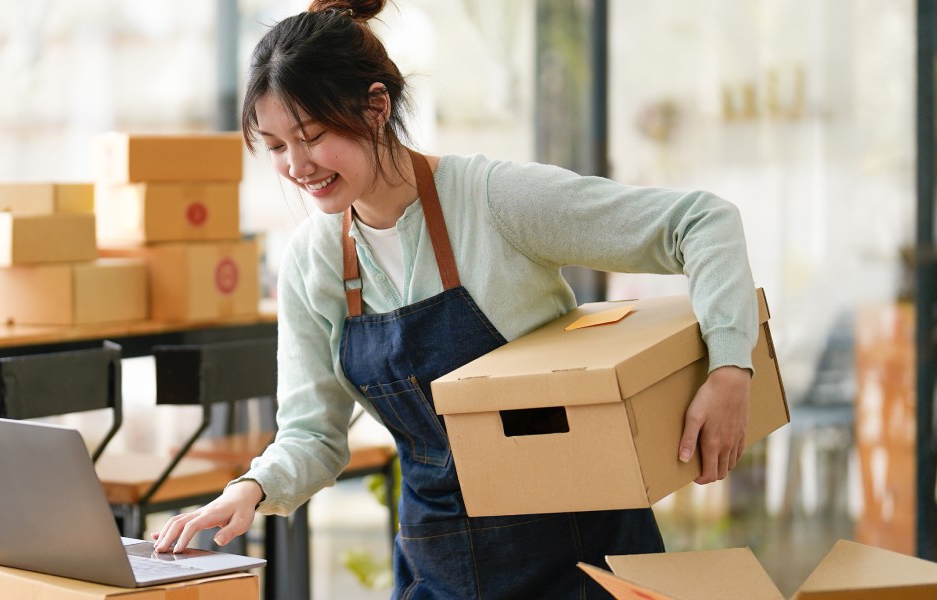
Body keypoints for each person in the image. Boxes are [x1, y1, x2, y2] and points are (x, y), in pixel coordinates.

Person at [154, 1, 757, 597]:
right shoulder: (313, 260)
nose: (297, 166)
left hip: (582, 556)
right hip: (439, 562)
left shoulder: (494, 201)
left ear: (375, 107)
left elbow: (700, 223)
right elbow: (313, 435)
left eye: (311, 137)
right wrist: (249, 490)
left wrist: (730, 369)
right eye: (277, 145)